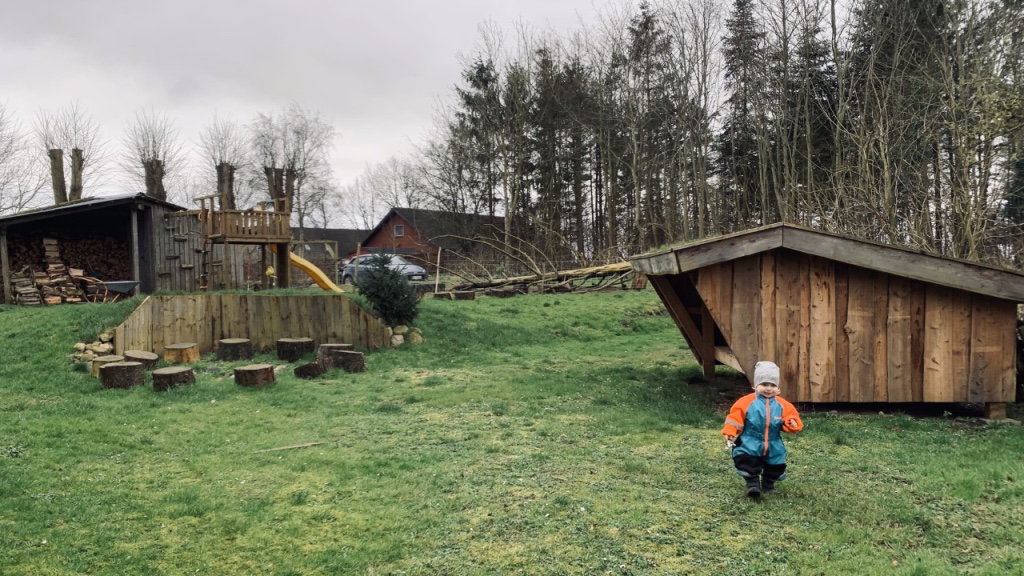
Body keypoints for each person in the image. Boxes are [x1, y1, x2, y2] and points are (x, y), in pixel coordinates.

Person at [721, 360, 803, 497]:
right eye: (764, 384)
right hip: (750, 439)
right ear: (755, 386)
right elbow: (734, 419)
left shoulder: (783, 405)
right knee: (748, 461)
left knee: (775, 464)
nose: (768, 388)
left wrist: (791, 423)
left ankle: (768, 484)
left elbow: (792, 419)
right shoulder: (746, 402)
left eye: (772, 385)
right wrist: (730, 432)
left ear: (778, 389)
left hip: (773, 441)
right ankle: (752, 484)